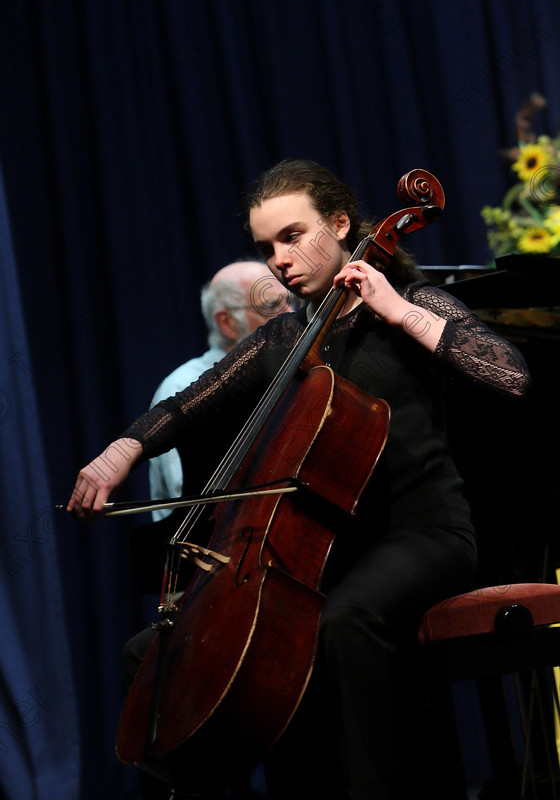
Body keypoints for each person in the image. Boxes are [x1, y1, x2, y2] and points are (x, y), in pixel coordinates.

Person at [68, 159, 530, 800]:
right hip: (324, 555)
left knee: (346, 620)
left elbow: (510, 374)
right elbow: (185, 406)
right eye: (266, 248)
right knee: (154, 651)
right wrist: (120, 451)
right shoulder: (283, 338)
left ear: (340, 224)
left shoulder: (411, 305)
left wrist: (399, 311)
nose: (279, 260)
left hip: (422, 534)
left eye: (293, 236)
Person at [149, 260, 294, 522]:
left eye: (290, 301)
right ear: (226, 323)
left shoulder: (288, 374)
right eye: (273, 306)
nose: (290, 314)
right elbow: (191, 498)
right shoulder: (182, 387)